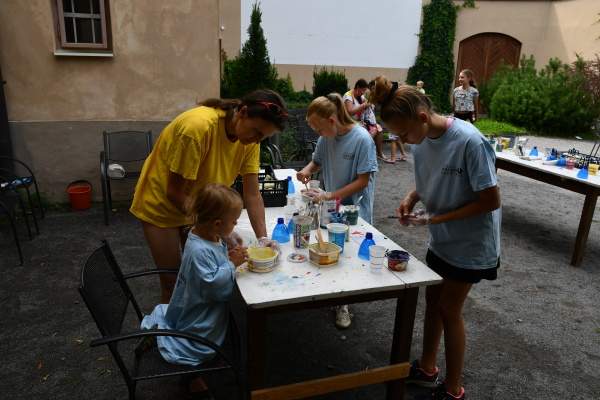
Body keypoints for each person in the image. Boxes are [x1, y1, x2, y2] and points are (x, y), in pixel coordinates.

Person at [371, 76, 501, 400]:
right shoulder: (423, 138)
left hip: (471, 244)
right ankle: (428, 368)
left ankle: (454, 389)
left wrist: (435, 218)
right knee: (432, 302)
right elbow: (430, 179)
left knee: (448, 309)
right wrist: (412, 197)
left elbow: (490, 200)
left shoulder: (470, 142)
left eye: (403, 134)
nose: (403, 141)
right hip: (441, 239)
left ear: (422, 117)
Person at [130, 90, 287, 303]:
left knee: (202, 273)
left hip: (201, 207)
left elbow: (252, 194)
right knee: (173, 282)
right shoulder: (198, 128)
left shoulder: (250, 142)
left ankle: (198, 319)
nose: (256, 140)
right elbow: (174, 192)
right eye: (256, 132)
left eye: (262, 137)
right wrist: (221, 231)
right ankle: (169, 323)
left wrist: (263, 239)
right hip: (161, 206)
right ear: (242, 112)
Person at [140, 184, 247, 394]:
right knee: (198, 346)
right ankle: (190, 373)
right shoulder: (199, 250)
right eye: (234, 221)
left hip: (194, 300)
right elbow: (212, 287)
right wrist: (231, 264)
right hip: (201, 314)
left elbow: (211, 266)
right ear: (217, 224)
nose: (236, 224)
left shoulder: (206, 235)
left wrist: (227, 256)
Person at [296, 93, 378, 329]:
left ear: (332, 120)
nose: (318, 134)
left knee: (346, 256)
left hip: (354, 211)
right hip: (331, 206)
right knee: (330, 249)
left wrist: (329, 195)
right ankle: (329, 292)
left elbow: (363, 181)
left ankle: (343, 303)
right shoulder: (326, 137)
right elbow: (317, 161)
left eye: (319, 128)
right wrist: (306, 170)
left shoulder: (362, 139)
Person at [344, 79, 388, 161]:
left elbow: (367, 103)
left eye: (365, 90)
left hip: (360, 122)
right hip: (350, 122)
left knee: (379, 129)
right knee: (372, 131)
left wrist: (369, 104)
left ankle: (379, 153)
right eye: (363, 90)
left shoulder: (360, 96)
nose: (363, 92)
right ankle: (364, 153)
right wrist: (363, 106)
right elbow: (350, 112)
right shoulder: (348, 96)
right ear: (358, 87)